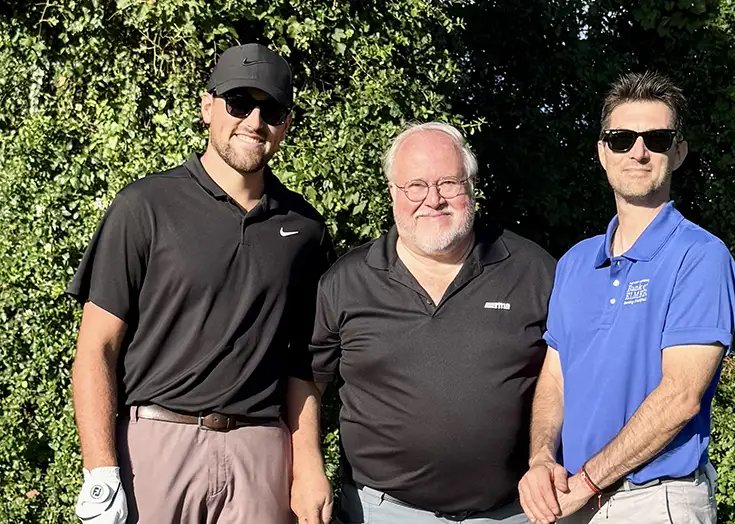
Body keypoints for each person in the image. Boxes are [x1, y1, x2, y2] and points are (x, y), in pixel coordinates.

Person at [69, 43, 335, 524]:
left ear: (286, 123)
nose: (254, 121)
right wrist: (100, 471)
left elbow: (304, 363)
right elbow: (97, 348)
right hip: (156, 448)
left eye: (271, 109)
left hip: (261, 453)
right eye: (239, 103)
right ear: (207, 106)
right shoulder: (144, 207)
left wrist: (308, 463)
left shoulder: (306, 231)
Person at [304, 122, 556, 523]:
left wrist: (548, 457)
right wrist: (306, 467)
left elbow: (564, 374)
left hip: (512, 513)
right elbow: (307, 381)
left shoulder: (532, 271)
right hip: (382, 511)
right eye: (415, 186)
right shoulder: (348, 280)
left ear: (471, 186)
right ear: (393, 193)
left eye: (448, 183)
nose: (433, 200)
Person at [517, 71, 735, 524]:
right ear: (602, 153)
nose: (638, 152)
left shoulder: (701, 256)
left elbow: (680, 397)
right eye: (621, 139)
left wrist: (586, 483)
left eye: (656, 139)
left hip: (654, 501)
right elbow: (556, 379)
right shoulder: (575, 263)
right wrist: (541, 459)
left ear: (678, 152)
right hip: (573, 499)